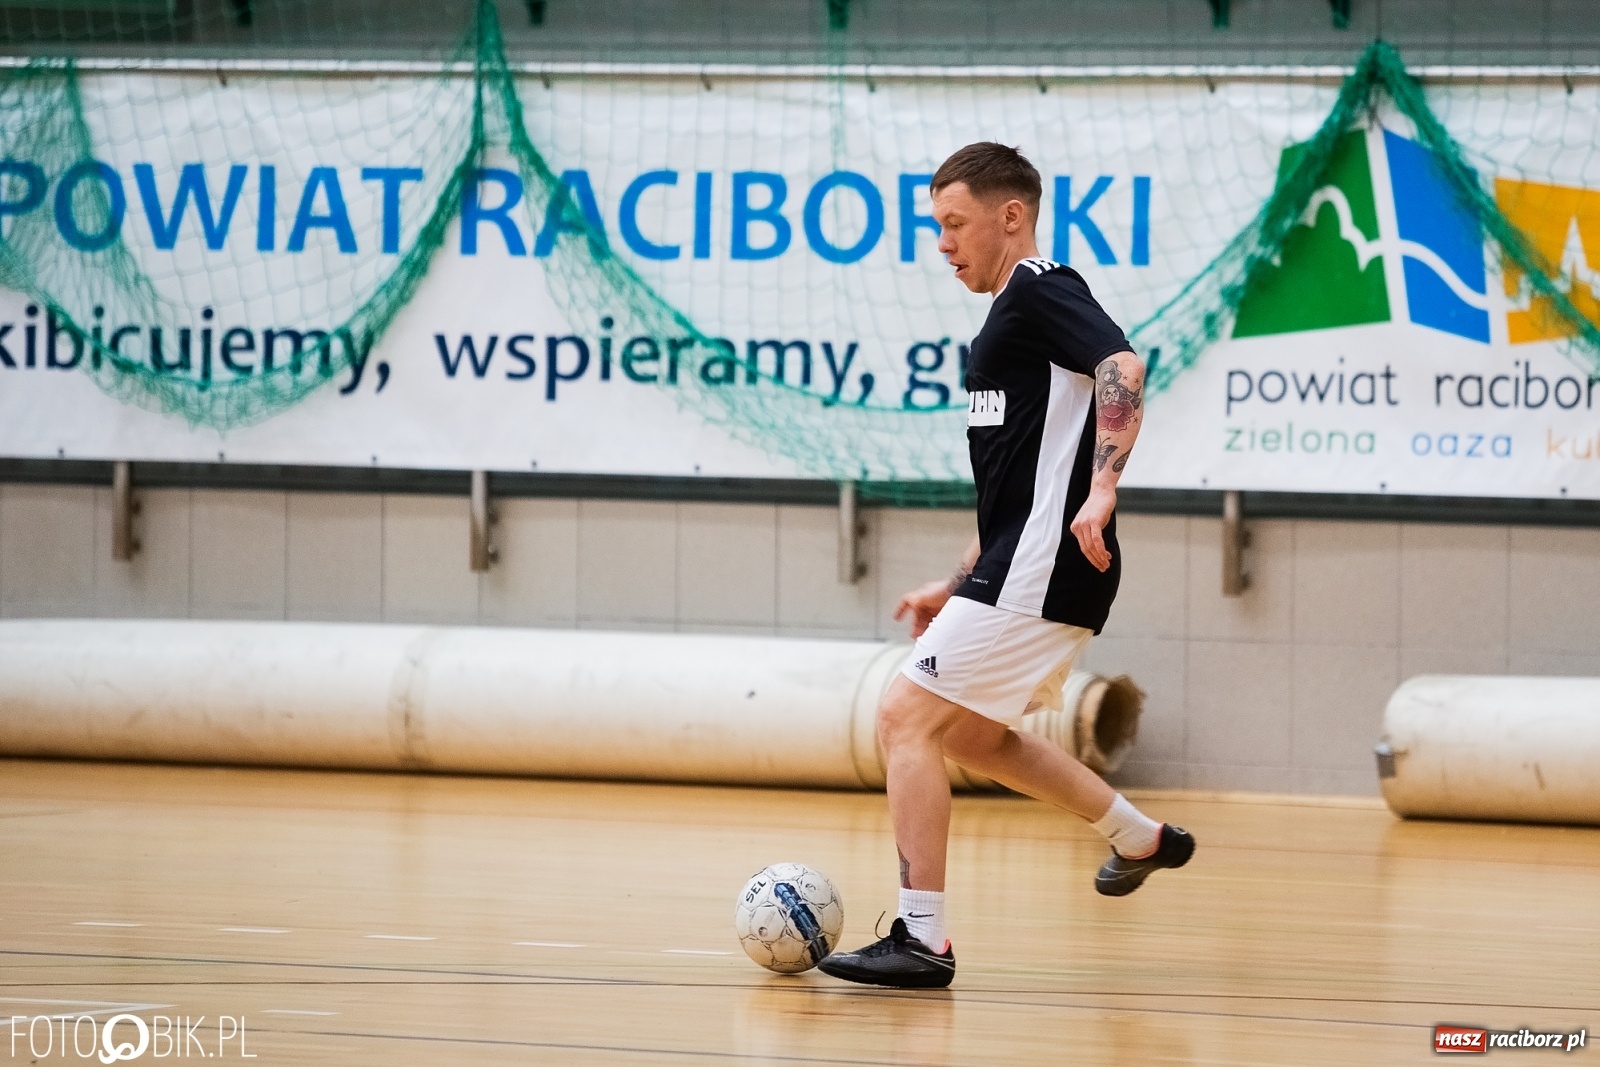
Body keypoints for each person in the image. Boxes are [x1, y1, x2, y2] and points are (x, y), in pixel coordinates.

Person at [817, 142, 1194, 990]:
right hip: (1028, 560)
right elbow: (1020, 484)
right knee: (980, 736)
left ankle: (922, 939)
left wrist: (1103, 488)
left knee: (903, 718)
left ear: (1009, 216)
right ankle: (1137, 836)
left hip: (1051, 561)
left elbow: (1123, 366)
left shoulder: (1040, 286)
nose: (943, 244)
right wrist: (954, 584)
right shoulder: (1009, 320)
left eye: (954, 224)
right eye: (937, 227)